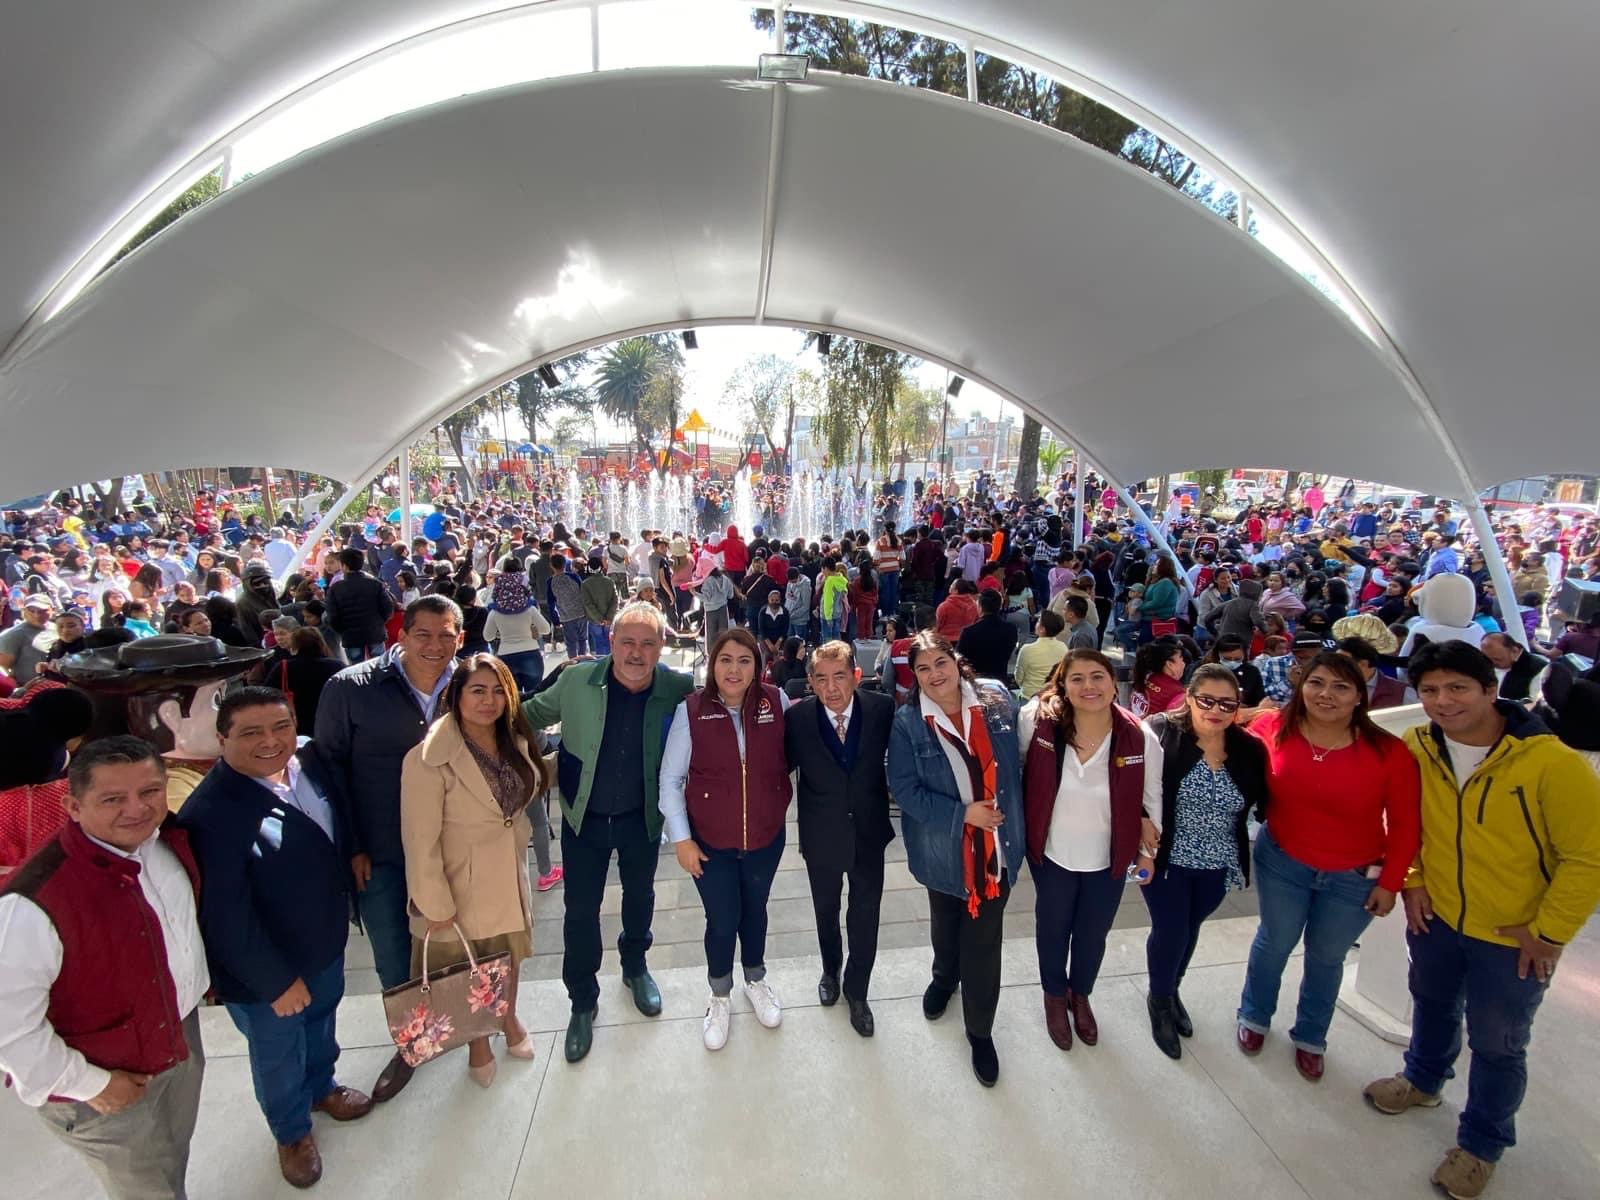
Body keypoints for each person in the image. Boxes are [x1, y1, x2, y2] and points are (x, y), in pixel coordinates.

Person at [1363, 641, 1600, 1200]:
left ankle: (1481, 1144)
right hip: (1439, 914)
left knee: (1498, 1041)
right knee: (1432, 1000)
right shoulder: (1419, 745)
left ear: (1492, 690)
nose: (1443, 702)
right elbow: (1404, 820)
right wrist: (1414, 878)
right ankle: (1422, 1080)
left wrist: (1548, 932)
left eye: (1457, 688)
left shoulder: (1551, 762)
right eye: (1430, 691)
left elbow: (1587, 857)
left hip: (1513, 934)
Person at [0, 737, 208, 1200]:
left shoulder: (164, 842)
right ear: (73, 806)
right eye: (113, 799)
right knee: (145, 1188)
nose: (136, 809)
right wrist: (92, 1085)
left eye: (150, 792)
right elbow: (10, 1030)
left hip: (177, 1041)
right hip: (105, 1080)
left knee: (169, 1161)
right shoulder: (31, 902)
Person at [179, 688, 371, 1188]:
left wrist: (352, 854)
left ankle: (322, 1087)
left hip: (322, 940)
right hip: (268, 968)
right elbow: (223, 914)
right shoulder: (211, 812)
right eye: (251, 733)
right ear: (222, 739)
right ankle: (291, 1132)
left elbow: (336, 811)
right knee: (277, 1050)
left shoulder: (307, 757)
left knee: (322, 1021)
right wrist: (276, 980)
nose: (271, 741)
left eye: (279, 727)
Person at [521, 601, 694, 1063]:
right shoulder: (576, 680)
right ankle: (582, 1000)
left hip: (640, 819)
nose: (636, 653)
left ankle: (635, 966)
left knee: (640, 898)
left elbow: (721, 706)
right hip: (585, 818)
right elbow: (526, 716)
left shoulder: (676, 687)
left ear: (662, 647)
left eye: (648, 644)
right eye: (627, 642)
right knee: (580, 911)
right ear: (611, 642)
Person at [1236, 651, 1421, 1081]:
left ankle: (1311, 1036)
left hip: (1353, 878)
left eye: (1341, 687)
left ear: (1360, 696)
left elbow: (1408, 825)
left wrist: (1392, 883)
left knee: (1326, 956)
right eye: (1316, 683)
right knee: (1275, 941)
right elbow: (1216, 729)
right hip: (1282, 862)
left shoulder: (1389, 752)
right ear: (1301, 686)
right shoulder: (1272, 729)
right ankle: (1254, 1014)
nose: (1326, 695)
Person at [313, 595, 463, 1103]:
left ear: (459, 638)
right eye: (423, 634)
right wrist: (350, 844)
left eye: (446, 635)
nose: (435, 645)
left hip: (451, 844)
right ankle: (412, 1042)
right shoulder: (349, 688)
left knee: (450, 939)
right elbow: (329, 770)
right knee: (393, 949)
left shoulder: (469, 684)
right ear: (401, 635)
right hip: (379, 849)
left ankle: (458, 1022)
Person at [400, 654, 550, 1087]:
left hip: (507, 876)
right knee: (471, 972)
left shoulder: (515, 743)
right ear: (457, 695)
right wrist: (434, 903)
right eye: (477, 690)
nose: (489, 700)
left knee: (509, 959)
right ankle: (478, 1043)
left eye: (498, 690)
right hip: (458, 887)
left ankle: (509, 1020)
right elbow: (419, 840)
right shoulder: (428, 758)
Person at [885, 632, 1023, 1087]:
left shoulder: (997, 699)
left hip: (995, 852)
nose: (934, 675)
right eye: (923, 669)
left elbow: (1025, 757)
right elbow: (905, 790)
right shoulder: (909, 721)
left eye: (940, 663)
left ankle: (979, 1031)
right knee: (945, 922)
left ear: (955, 661)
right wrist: (964, 814)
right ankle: (944, 977)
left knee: (983, 944)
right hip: (942, 850)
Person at [1019, 650, 1162, 1052]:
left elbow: (1153, 797)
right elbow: (1017, 768)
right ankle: (1053, 995)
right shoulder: (1037, 723)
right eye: (1076, 678)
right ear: (1061, 685)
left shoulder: (1138, 735)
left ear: (1114, 684)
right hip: (1053, 854)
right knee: (1052, 928)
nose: (1088, 687)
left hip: (1109, 857)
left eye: (1097, 677)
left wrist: (1148, 852)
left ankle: (1079, 995)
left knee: (1092, 933)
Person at [659, 629, 790, 1050]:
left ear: (758, 665)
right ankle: (719, 994)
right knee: (722, 919)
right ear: (712, 665)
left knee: (756, 911)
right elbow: (671, 779)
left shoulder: (777, 702)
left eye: (744, 661)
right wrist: (681, 839)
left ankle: (756, 978)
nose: (734, 670)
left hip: (765, 840)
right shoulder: (692, 710)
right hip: (710, 843)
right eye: (725, 660)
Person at [1141, 665, 1268, 1059]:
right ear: (1190, 699)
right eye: (1207, 701)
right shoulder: (1161, 734)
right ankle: (1159, 999)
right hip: (1169, 858)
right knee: (1171, 928)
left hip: (1218, 860)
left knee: (1191, 927)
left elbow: (1264, 800)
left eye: (1227, 704)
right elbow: (1133, 786)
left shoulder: (1248, 749)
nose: (1216, 710)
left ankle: (1172, 987)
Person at [784, 641, 895, 1037]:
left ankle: (858, 989)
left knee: (865, 915)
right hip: (821, 836)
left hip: (868, 833)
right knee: (826, 911)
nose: (832, 688)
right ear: (811, 682)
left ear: (856, 676)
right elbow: (776, 771)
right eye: (822, 679)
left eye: (840, 677)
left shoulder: (882, 711)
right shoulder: (797, 721)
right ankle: (830, 970)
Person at [483, 560, 552, 695]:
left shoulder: (495, 612)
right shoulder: (529, 609)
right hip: (530, 652)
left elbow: (487, 636)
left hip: (506, 655)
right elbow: (546, 629)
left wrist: (500, 633)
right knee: (534, 696)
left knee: (512, 698)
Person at [322, 549, 393, 664]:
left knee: (356, 669)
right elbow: (388, 608)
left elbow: (333, 616)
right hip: (375, 632)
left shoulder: (336, 588)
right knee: (379, 666)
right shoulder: (375, 584)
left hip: (351, 635)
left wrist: (342, 630)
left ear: (344, 565)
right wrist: (379, 622)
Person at [956, 588, 1018, 682]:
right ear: (1000, 606)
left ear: (980, 607)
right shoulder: (1011, 629)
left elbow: (959, 658)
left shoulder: (969, 632)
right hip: (999, 679)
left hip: (976, 680)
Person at [1479, 630, 1546, 704]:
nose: (1492, 663)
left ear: (1515, 651)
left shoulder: (1538, 668)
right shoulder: (1484, 665)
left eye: (1498, 659)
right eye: (1488, 659)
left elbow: (1536, 704)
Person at [1015, 609, 1069, 699]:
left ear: (1042, 629)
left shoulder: (1027, 649)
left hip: (1029, 695)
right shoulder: (1063, 647)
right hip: (1051, 695)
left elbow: (1018, 678)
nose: (1036, 623)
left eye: (1038, 621)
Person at [1131, 639, 1188, 717]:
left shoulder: (1145, 677)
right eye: (1181, 659)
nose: (1184, 664)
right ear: (1169, 664)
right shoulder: (1178, 694)